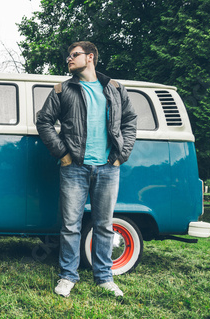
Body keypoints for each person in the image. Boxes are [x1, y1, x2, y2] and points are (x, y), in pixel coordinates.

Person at [36, 41, 137, 297]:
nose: (69, 59)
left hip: (108, 168)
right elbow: (44, 120)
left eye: (74, 55)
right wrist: (63, 154)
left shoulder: (114, 89)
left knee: (104, 225)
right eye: (68, 55)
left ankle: (104, 277)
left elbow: (130, 121)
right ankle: (67, 276)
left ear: (90, 57)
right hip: (74, 168)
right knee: (71, 225)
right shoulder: (62, 90)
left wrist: (121, 155)